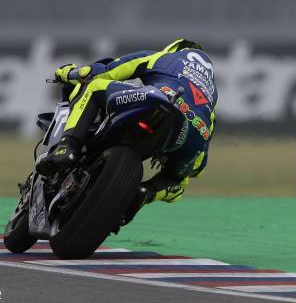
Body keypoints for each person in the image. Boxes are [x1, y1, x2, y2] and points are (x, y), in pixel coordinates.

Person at [36, 38, 217, 205]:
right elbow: (198, 167)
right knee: (178, 182)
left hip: (156, 97)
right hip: (195, 133)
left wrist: (67, 72)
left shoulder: (162, 58)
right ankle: (146, 192)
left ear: (175, 49)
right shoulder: (211, 97)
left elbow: (102, 72)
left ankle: (68, 147)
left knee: (94, 87)